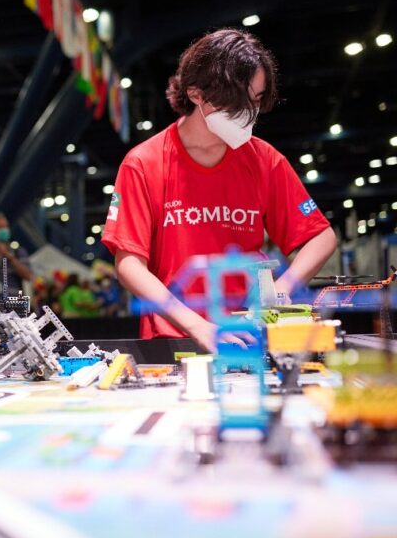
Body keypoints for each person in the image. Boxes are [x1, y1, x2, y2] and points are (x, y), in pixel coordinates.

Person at [101, 29, 336, 351]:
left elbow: (321, 237)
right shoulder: (144, 163)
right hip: (174, 339)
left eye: (256, 99)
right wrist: (197, 326)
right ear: (196, 94)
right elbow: (129, 264)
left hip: (249, 335)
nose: (249, 112)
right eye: (238, 101)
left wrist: (279, 292)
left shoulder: (264, 160)